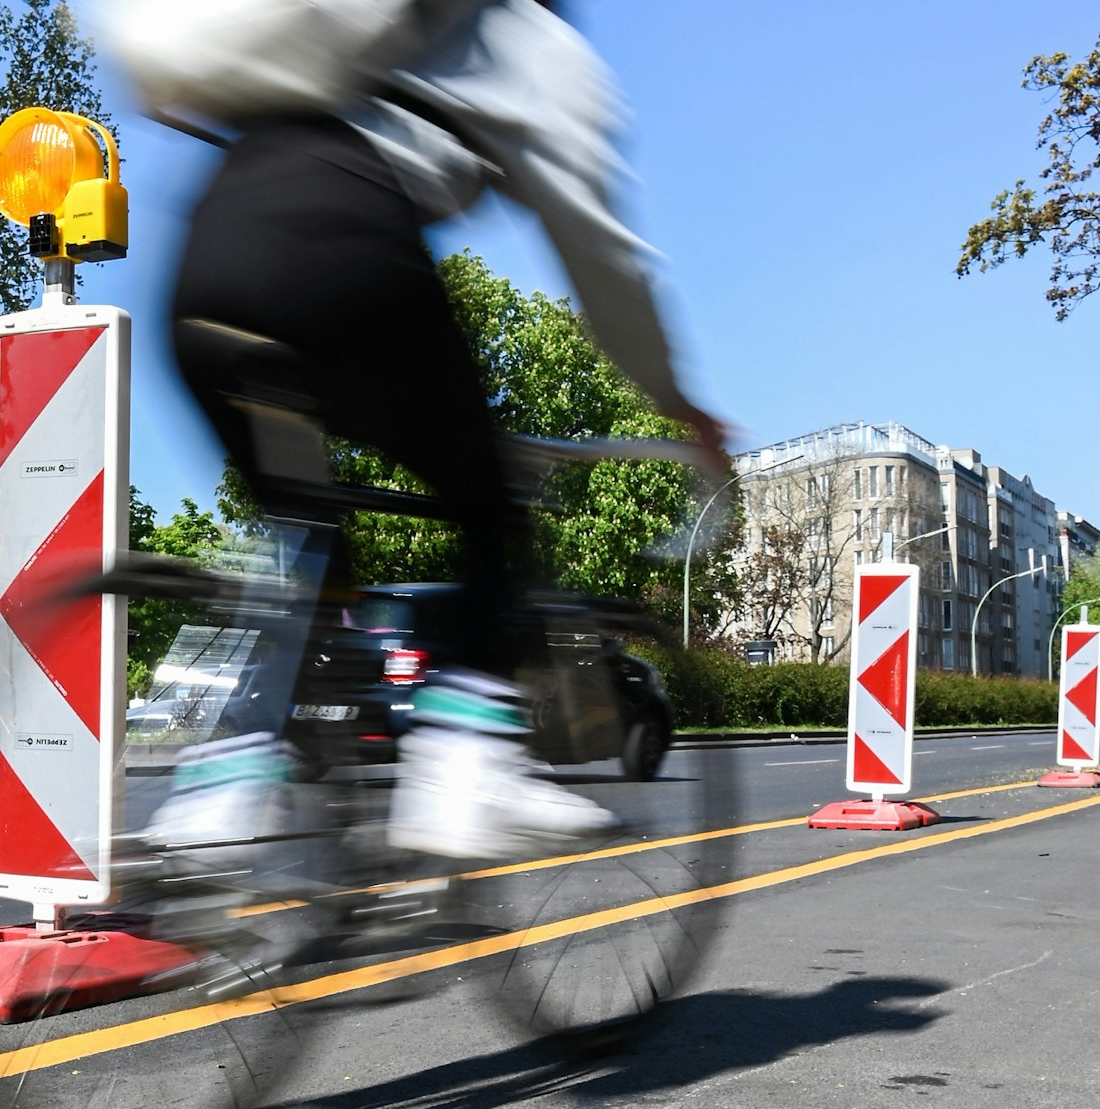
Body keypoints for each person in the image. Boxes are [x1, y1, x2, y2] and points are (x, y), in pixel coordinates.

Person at [107, 0, 726, 860]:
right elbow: (601, 254)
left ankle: (234, 772)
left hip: (207, 259)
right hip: (345, 241)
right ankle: (468, 762)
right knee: (488, 505)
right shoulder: (532, 37)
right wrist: (676, 401)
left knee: (308, 535)